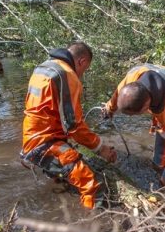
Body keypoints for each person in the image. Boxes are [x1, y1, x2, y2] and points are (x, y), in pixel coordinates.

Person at [21, 41, 117, 209]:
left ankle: (58, 177)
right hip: (44, 144)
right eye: (84, 70)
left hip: (31, 139)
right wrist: (101, 148)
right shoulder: (67, 75)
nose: (81, 75)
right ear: (82, 62)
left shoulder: (43, 68)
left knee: (69, 166)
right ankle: (94, 226)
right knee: (90, 183)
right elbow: (74, 127)